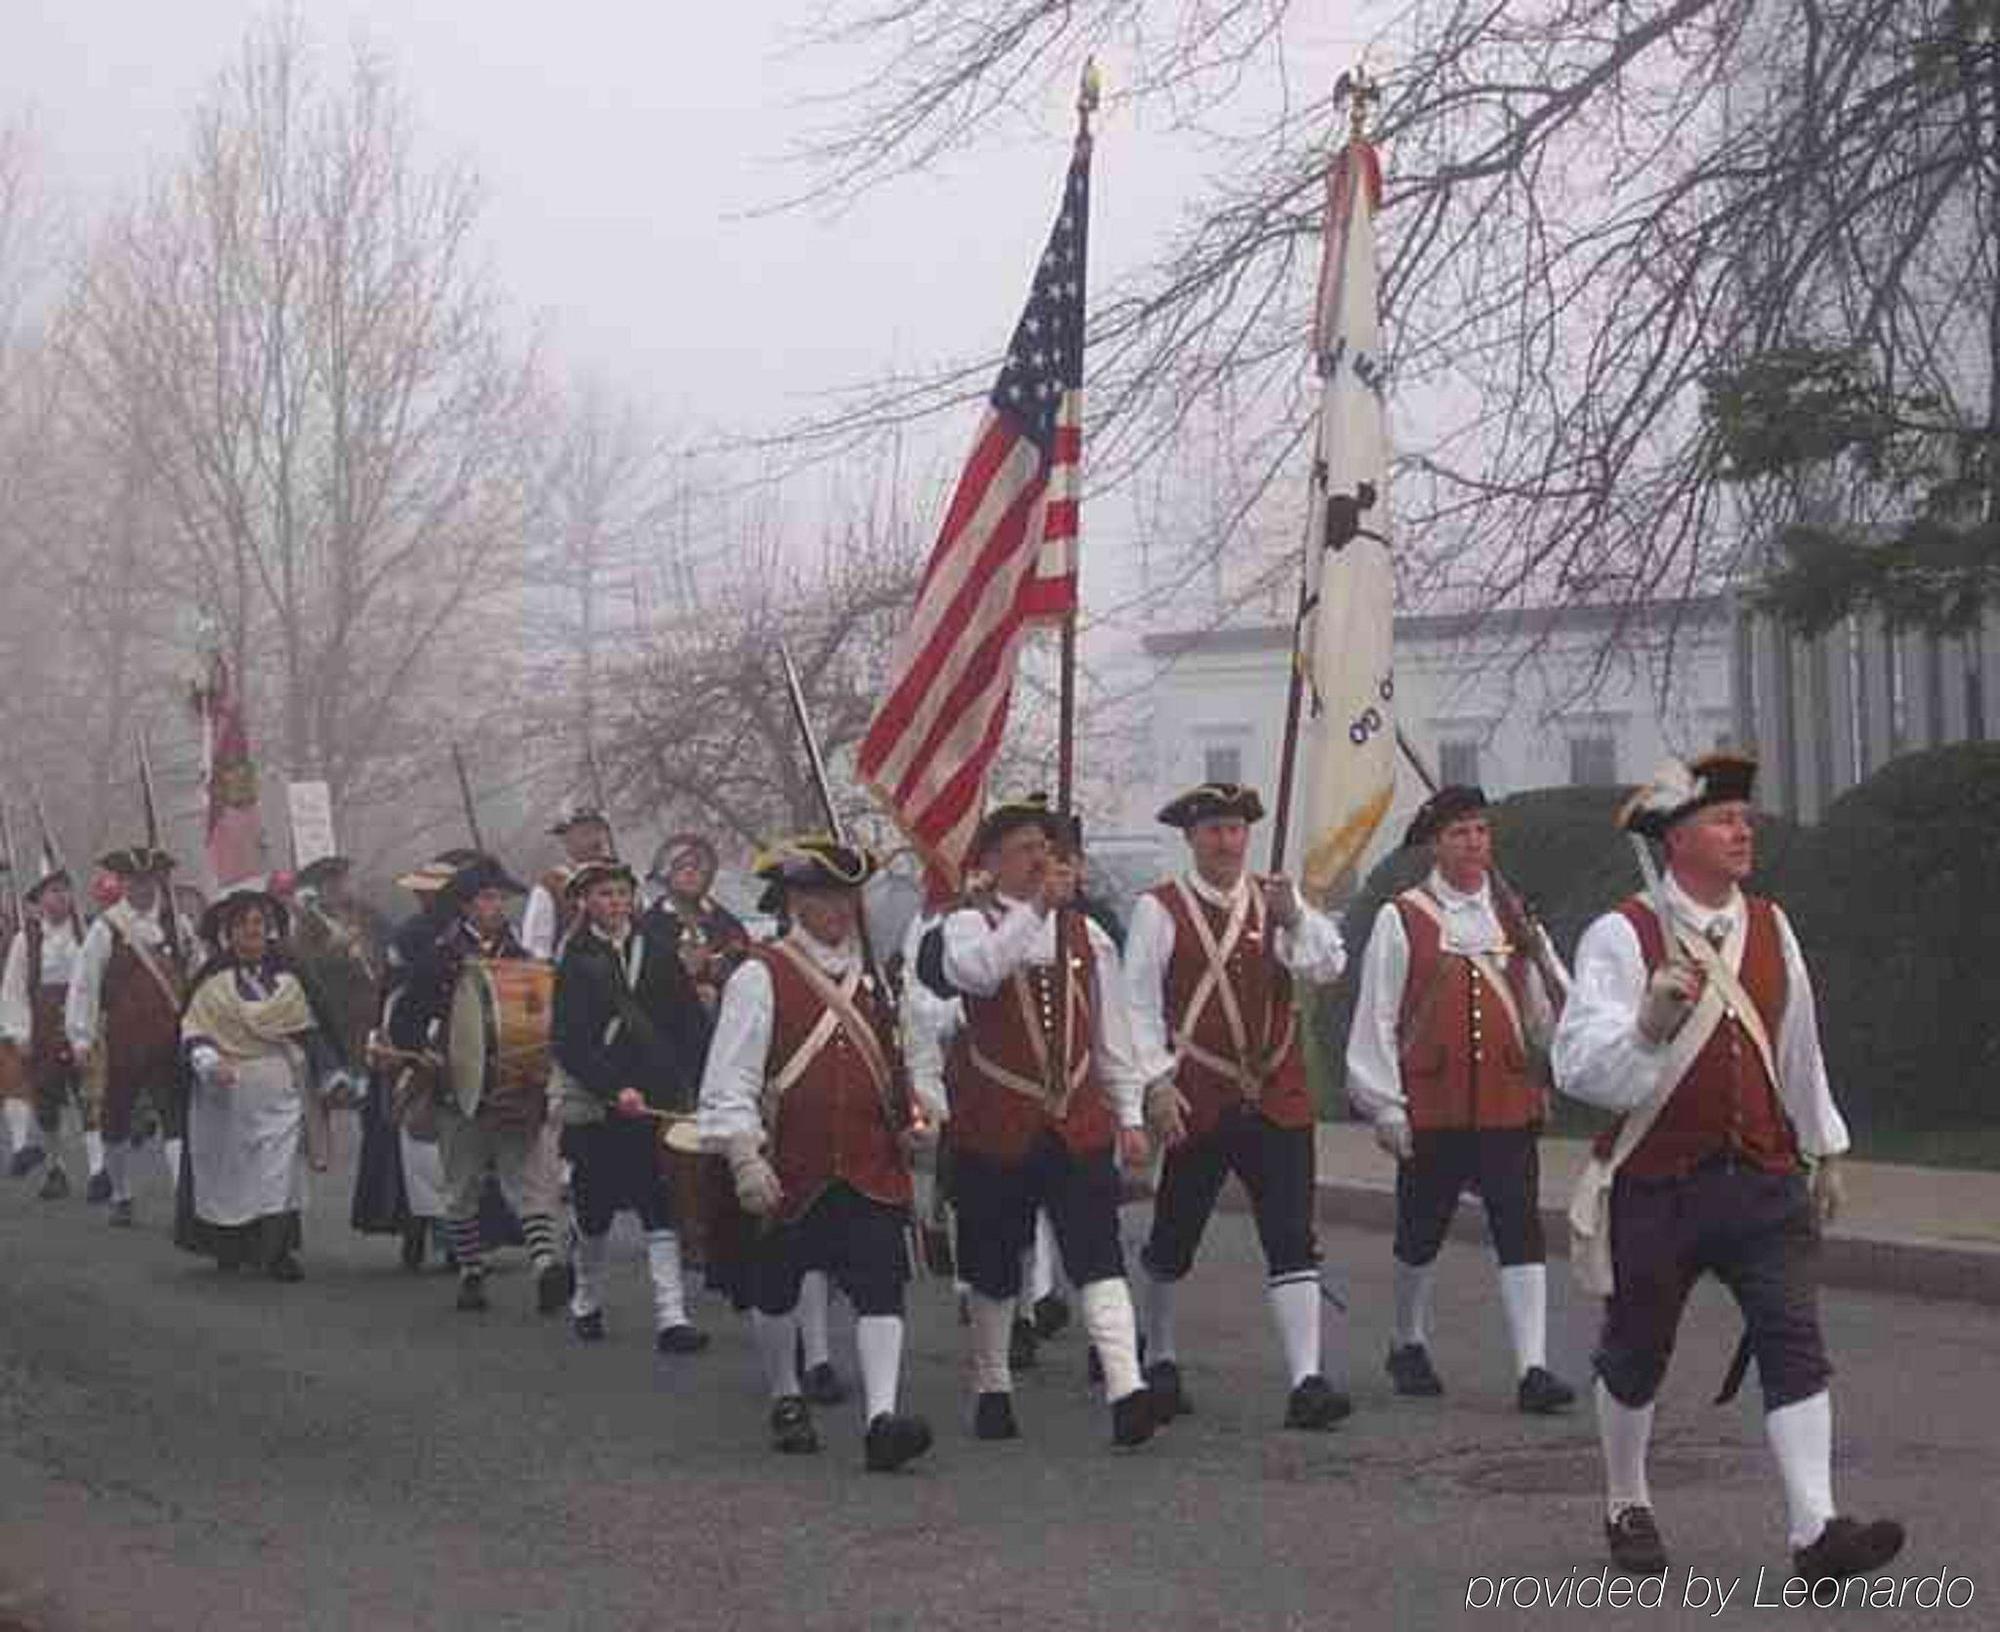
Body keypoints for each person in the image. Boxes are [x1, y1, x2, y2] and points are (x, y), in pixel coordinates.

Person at [1552, 753, 1903, 1584]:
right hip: (1658, 1184)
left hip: (1762, 1181)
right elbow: (1576, 1067)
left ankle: (1816, 1531)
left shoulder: (1772, 925)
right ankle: (1627, 1500)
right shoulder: (1621, 934)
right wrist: (1646, 1025)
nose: (1744, 830)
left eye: (1745, 817)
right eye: (1723, 819)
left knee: (1794, 1343)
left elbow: (1798, 1043)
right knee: (1636, 1353)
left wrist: (1824, 1146)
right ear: (1676, 840)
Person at [697, 837, 933, 1470]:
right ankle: (785, 1393)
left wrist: (916, 1116)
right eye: (823, 898)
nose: (838, 910)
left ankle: (881, 1417)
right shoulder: (759, 974)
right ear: (795, 902)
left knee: (882, 1286)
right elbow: (730, 1079)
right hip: (791, 1166)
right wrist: (746, 1157)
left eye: (845, 897)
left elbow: (905, 1067)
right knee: (775, 1291)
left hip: (870, 1162)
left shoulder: (880, 982)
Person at [1124, 782, 1352, 1429]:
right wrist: (1155, 1083)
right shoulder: (1159, 909)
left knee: (1290, 1236)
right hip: (1198, 1096)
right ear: (1191, 839)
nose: (1227, 842)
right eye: (1214, 831)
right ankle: (1160, 1352)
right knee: (1175, 1236)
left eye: (1235, 830)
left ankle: (1307, 1379)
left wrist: (1296, 919)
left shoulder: (1277, 900)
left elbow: (1327, 967)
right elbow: (1138, 1004)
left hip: (1276, 1093)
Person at [934, 796, 1158, 1449]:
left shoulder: (1086, 936)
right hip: (997, 1121)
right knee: (995, 1263)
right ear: (994, 862)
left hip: (1075, 1121)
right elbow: (978, 976)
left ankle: (1126, 1389)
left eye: (1046, 848)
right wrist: (1035, 912)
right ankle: (994, 1384)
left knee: (1097, 1252)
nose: (1040, 859)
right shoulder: (968, 927)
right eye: (1026, 849)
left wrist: (1130, 1111)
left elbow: (1110, 1034)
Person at [1346, 785, 1577, 1415]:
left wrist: (1540, 964)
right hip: (1434, 1104)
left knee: (1519, 1227)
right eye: (1459, 834)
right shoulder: (1405, 916)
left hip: (1507, 1100)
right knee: (1420, 1232)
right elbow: (1379, 1014)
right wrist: (1386, 1105)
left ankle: (1532, 1366)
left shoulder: (1512, 917)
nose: (1474, 843)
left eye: (1480, 831)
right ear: (1435, 844)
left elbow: (1550, 1009)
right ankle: (1407, 1338)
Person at [551, 858, 713, 1352]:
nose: (615, 903)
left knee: (659, 1206)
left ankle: (671, 1317)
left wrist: (702, 1082)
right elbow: (569, 1041)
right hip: (601, 1107)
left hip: (655, 1100)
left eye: (621, 893)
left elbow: (688, 1022)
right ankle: (586, 1300)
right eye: (604, 895)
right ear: (586, 902)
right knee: (594, 1211)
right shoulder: (576, 961)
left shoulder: (659, 950)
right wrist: (611, 1087)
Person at [391, 855, 563, 1314]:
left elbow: (542, 1018)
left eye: (500, 898)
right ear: (466, 905)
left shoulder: (522, 959)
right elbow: (405, 1019)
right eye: (488, 897)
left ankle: (546, 1265)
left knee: (527, 1180)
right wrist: (420, 1050)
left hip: (515, 1084)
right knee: (461, 1184)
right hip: (458, 1084)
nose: (497, 905)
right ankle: (470, 1270)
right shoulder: (440, 957)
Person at [176, 889, 351, 1280]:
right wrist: (209, 1064)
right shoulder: (212, 982)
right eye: (242, 925)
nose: (252, 931)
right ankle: (230, 1245)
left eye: (258, 923)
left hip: (283, 1093)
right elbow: (194, 1030)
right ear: (228, 932)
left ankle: (277, 1252)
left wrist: (332, 1075)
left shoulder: (290, 978)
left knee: (280, 1172)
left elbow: (310, 1031)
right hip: (228, 1098)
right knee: (232, 1176)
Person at [65, 848, 195, 1227]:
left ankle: (183, 1198)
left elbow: (198, 973)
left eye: (148, 880)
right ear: (123, 883)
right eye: (135, 881)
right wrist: (81, 1038)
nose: (142, 888)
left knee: (177, 1119)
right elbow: (84, 986)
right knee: (116, 1119)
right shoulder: (106, 928)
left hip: (171, 1038)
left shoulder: (177, 925)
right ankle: (121, 1193)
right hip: (122, 1043)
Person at [1, 866, 85, 1198]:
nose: (60, 896)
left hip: (81, 1025)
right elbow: (14, 989)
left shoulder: (87, 932)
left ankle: (102, 1171)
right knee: (48, 1100)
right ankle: (56, 1167)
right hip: (45, 1028)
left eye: (65, 889)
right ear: (39, 900)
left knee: (93, 1098)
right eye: (53, 891)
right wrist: (20, 1032)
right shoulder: (27, 940)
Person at [642, 832, 752, 1014]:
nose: (690, 872)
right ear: (665, 872)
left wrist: (720, 967)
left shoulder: (726, 923)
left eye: (700, 866)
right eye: (681, 866)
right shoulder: (649, 924)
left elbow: (744, 964)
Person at [522, 804, 615, 961]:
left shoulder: (622, 879)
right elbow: (537, 948)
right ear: (566, 841)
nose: (596, 839)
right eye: (585, 833)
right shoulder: (551, 886)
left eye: (599, 830)